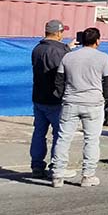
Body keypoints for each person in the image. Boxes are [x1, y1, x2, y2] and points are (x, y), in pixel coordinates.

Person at [51, 28, 108, 188]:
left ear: (81, 39)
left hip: (71, 101)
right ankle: (87, 175)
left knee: (63, 138)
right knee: (91, 140)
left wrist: (64, 95)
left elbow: (59, 80)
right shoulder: (104, 58)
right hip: (93, 103)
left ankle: (57, 175)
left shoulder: (68, 56)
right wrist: (103, 98)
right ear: (97, 40)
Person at [30, 20, 72, 179]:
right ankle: (56, 166)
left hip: (39, 97)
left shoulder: (37, 49)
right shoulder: (57, 51)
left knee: (39, 133)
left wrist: (66, 48)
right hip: (55, 98)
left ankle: (37, 166)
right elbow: (61, 74)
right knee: (59, 134)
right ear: (59, 32)